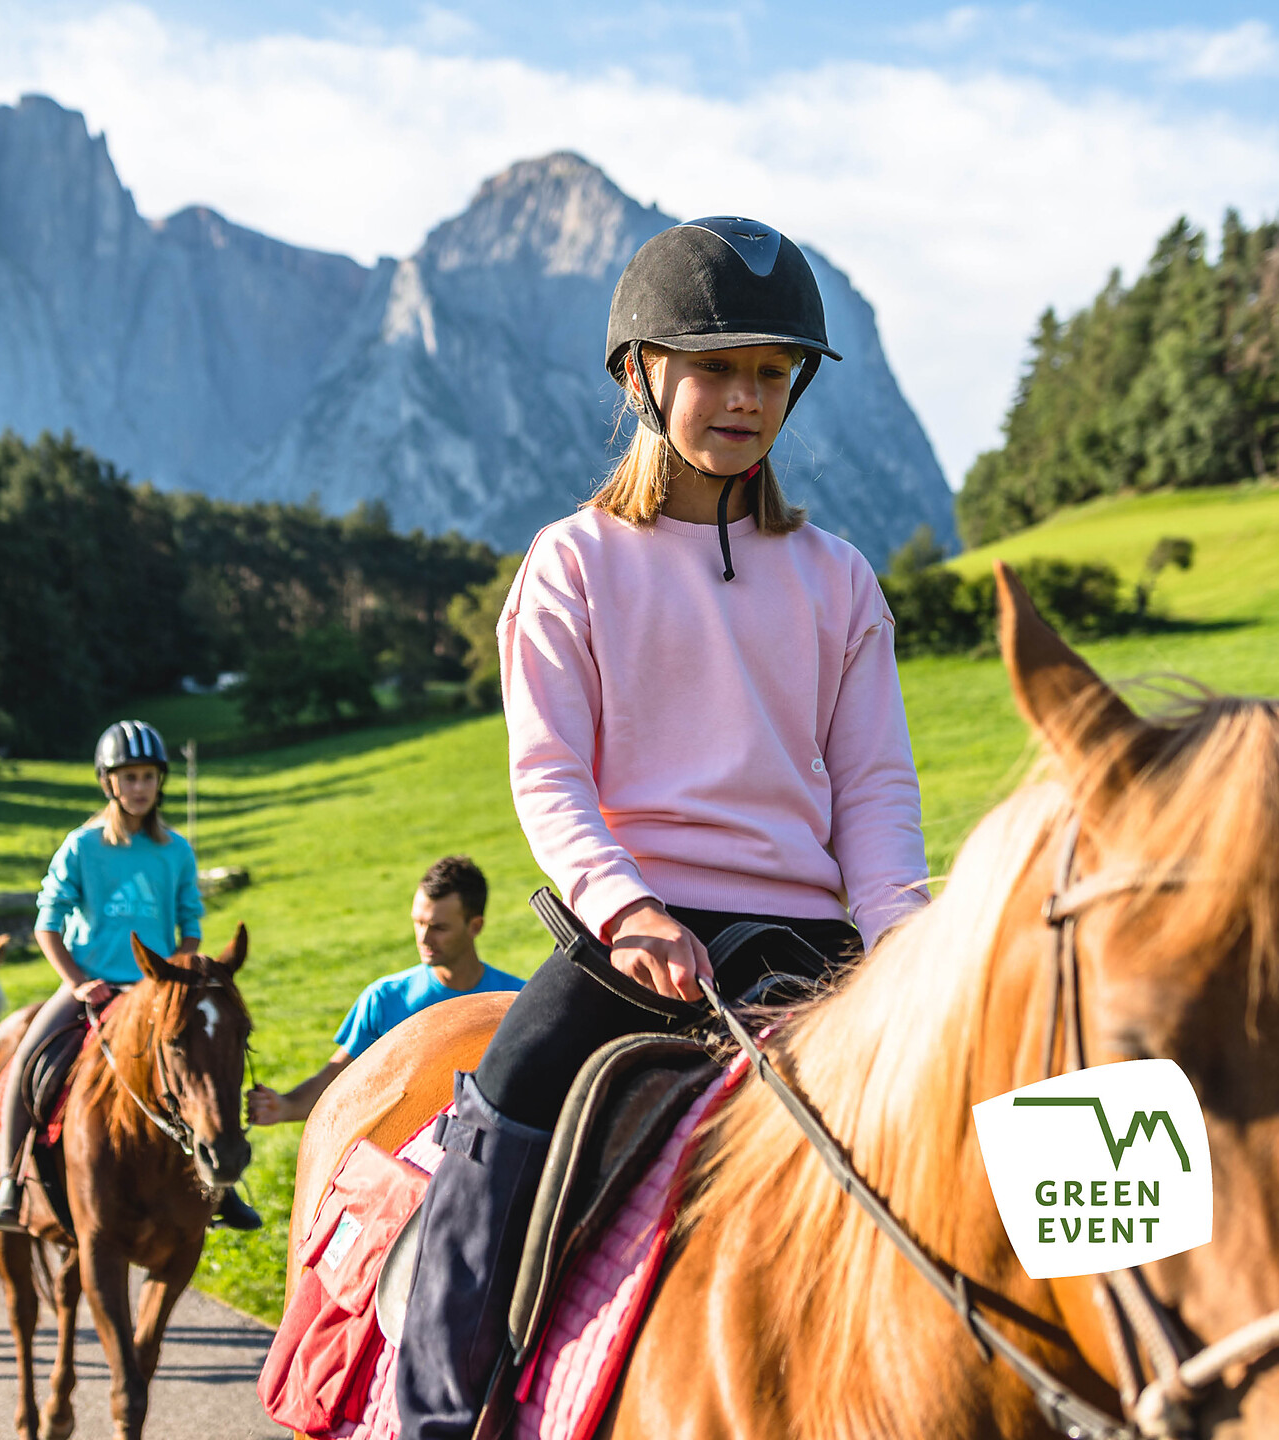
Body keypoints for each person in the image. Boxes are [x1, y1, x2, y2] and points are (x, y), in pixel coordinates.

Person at [393, 217, 930, 1436]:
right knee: (511, 1105)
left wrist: (907, 945)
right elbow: (549, 777)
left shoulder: (839, 579)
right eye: (717, 367)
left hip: (812, 947)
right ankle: (432, 1416)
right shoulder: (573, 564)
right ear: (642, 375)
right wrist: (627, 906)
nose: (746, 398)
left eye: (772, 373)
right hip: (630, 944)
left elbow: (878, 797)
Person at [0, 719, 261, 1233]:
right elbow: (47, 923)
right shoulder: (82, 846)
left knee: (202, 1068)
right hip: (91, 985)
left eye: (148, 777)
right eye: (128, 777)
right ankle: (7, 1181)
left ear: (161, 783)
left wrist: (171, 980)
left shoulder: (175, 850)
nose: (139, 788)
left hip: (155, 993)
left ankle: (222, 1186)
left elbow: (189, 924)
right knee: (26, 1060)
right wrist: (76, 980)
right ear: (108, 782)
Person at [246, 856, 523, 1127]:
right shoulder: (385, 999)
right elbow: (338, 1079)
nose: (423, 938)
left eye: (439, 927)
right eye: (418, 922)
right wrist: (285, 1106)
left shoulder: (517, 1001)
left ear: (475, 926)